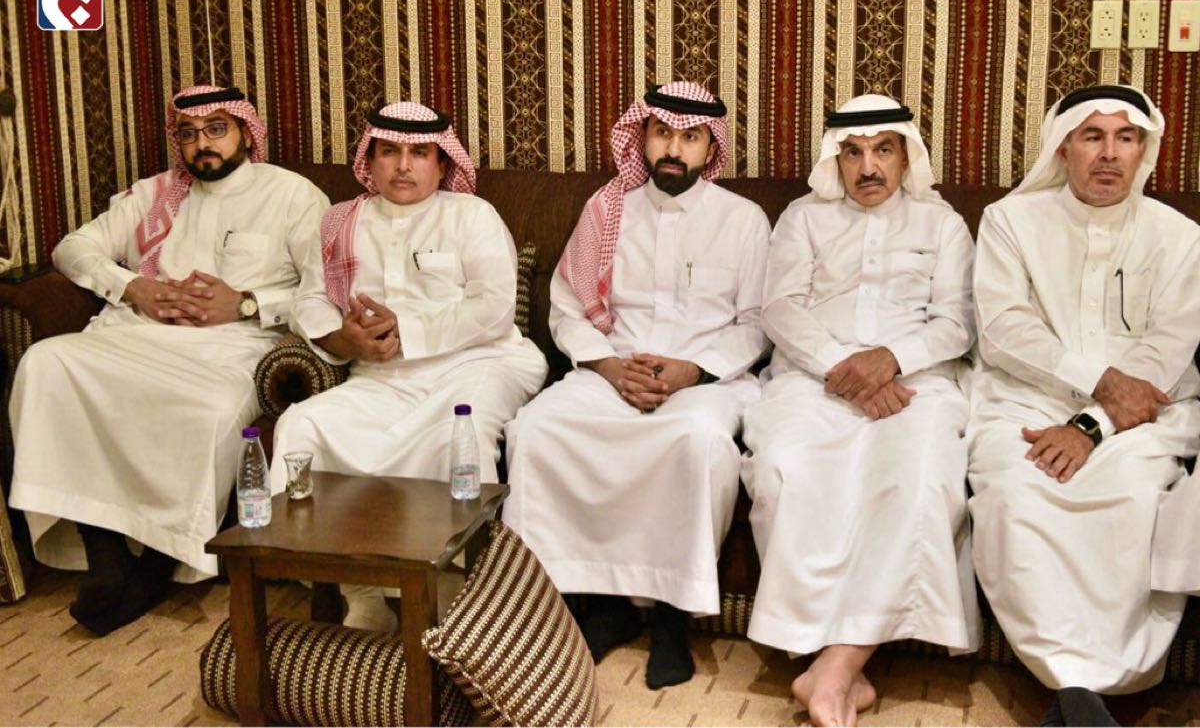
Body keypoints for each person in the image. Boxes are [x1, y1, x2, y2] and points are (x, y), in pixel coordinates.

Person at [8, 85, 329, 635]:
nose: (203, 143)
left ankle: (158, 563)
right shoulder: (155, 194)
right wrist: (133, 287)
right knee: (46, 363)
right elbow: (72, 248)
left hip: (232, 344)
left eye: (217, 129)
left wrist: (248, 303)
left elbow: (322, 291)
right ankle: (104, 549)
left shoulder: (293, 196)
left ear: (245, 132)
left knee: (211, 407)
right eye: (189, 133)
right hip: (137, 334)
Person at [502, 81, 770, 689]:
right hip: (611, 368)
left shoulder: (743, 220)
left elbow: (757, 323)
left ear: (710, 148)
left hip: (706, 379)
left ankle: (671, 618)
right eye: (662, 133)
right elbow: (568, 307)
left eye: (690, 137)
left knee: (698, 443)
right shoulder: (607, 210)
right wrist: (608, 367)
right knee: (538, 429)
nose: (674, 148)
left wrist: (691, 371)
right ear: (642, 138)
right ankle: (597, 606)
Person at [741, 94, 980, 726]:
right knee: (785, 467)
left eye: (882, 150)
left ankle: (833, 670)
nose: (867, 167)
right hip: (813, 377)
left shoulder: (943, 224)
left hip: (916, 384)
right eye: (852, 153)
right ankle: (843, 671)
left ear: (906, 156)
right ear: (835, 159)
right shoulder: (802, 219)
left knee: (920, 476)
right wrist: (845, 370)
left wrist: (891, 359)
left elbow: (958, 323)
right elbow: (781, 308)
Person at [968, 84, 1200, 726]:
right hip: (1025, 402)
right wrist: (1097, 383)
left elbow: (1168, 350)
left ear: (1143, 151)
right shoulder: (1010, 221)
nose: (1109, 154)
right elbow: (1005, 330)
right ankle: (1074, 687)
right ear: (1064, 148)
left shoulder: (1181, 237)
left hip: (1142, 419)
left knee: (1133, 498)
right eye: (1092, 137)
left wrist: (1091, 425)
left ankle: (1088, 692)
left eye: (1125, 139)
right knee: (1016, 497)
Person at [271, 101, 546, 630]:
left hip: (480, 363)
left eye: (419, 153)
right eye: (389, 152)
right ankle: (360, 591)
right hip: (380, 376)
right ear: (369, 160)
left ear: (442, 165)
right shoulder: (339, 223)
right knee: (302, 425)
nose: (403, 166)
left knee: (458, 436)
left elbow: (493, 308)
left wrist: (406, 335)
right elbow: (310, 300)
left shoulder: (471, 215)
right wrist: (345, 339)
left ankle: (461, 594)